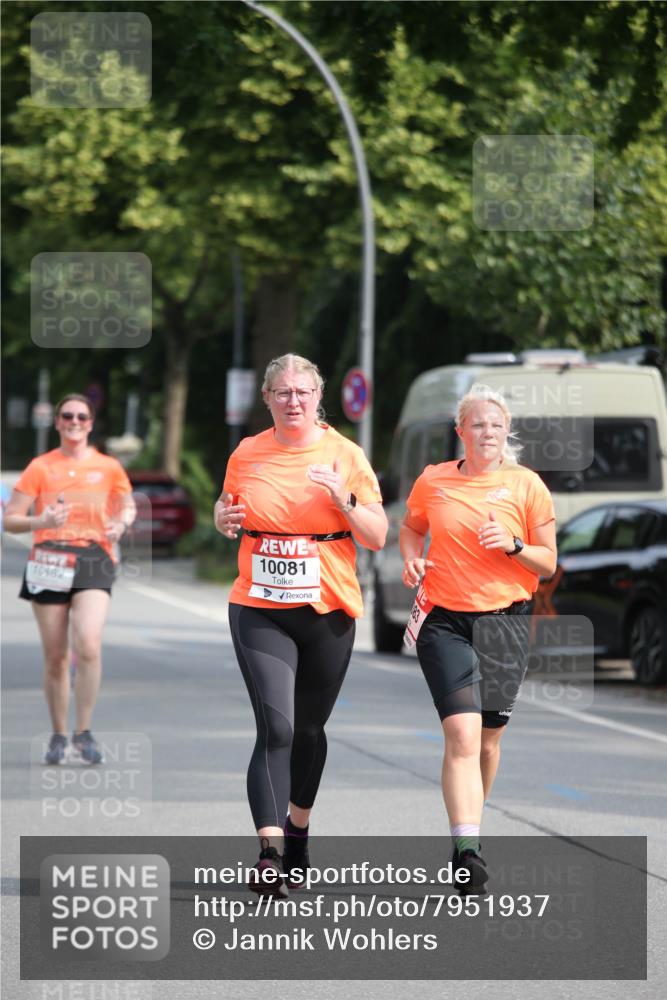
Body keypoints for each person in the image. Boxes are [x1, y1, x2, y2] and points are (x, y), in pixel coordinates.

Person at [215, 354, 387, 896]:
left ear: (319, 398)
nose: (294, 401)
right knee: (278, 728)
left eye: (303, 392)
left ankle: (299, 831)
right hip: (259, 605)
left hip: (328, 610)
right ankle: (269, 852)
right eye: (283, 392)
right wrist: (223, 518)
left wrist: (345, 498)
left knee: (309, 731)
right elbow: (228, 509)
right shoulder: (247, 453)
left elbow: (378, 535)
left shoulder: (345, 454)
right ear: (266, 398)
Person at [400, 383, 556, 889]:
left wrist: (513, 545)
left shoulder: (528, 485)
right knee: (462, 735)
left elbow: (549, 562)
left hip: (506, 620)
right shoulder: (434, 480)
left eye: (495, 424)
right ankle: (467, 848)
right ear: (460, 431)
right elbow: (411, 527)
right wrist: (411, 557)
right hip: (444, 620)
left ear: (506, 430)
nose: (487, 432)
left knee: (488, 742)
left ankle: (470, 830)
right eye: (477, 424)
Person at [3, 394, 136, 765]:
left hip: (94, 556)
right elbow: (10, 518)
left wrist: (121, 523)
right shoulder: (40, 467)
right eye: (67, 416)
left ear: (91, 423)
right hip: (49, 557)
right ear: (58, 423)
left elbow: (127, 504)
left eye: (82, 416)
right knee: (56, 656)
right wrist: (40, 522)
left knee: (89, 643)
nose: (74, 421)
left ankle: (84, 730)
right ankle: (59, 734)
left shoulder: (108, 467)